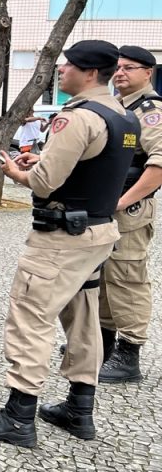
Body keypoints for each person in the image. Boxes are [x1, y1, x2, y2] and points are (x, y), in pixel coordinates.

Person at [0, 40, 138, 448]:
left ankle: (18, 415)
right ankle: (80, 409)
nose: (61, 70)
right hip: (97, 232)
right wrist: (39, 162)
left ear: (90, 73)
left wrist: (15, 171)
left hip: (61, 239)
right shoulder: (123, 116)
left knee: (30, 317)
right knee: (83, 319)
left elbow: (45, 183)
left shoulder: (77, 117)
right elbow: (91, 166)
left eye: (69, 66)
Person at [98, 45, 161, 383]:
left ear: (148, 72)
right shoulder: (120, 107)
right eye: (118, 67)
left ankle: (129, 354)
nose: (120, 73)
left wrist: (123, 202)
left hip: (129, 208)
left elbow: (159, 164)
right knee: (104, 275)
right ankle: (104, 344)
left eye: (130, 68)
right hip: (108, 204)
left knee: (128, 277)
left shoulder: (151, 111)